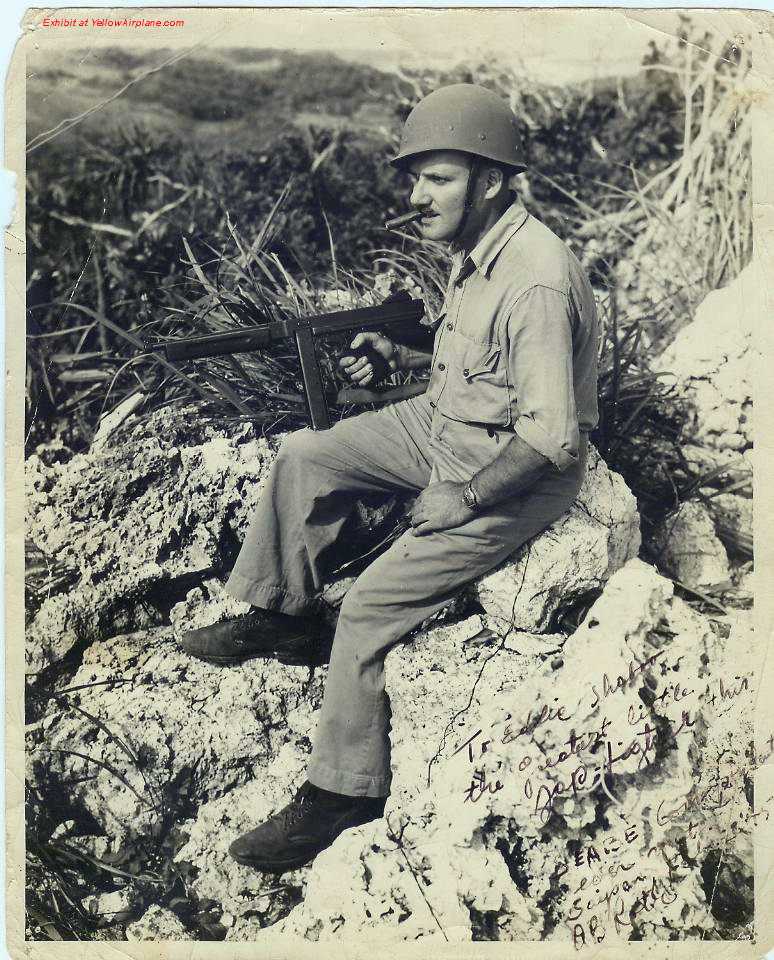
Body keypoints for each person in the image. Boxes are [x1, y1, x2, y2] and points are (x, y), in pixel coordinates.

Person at [179, 83, 599, 873]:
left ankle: (342, 793)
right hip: (442, 425)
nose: (417, 196)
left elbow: (550, 436)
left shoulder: (535, 277)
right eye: (416, 178)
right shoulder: (481, 253)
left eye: (437, 178)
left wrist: (464, 497)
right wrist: (402, 361)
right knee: (306, 454)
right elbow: (479, 369)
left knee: (370, 605)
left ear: (491, 179)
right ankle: (285, 609)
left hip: (508, 473)